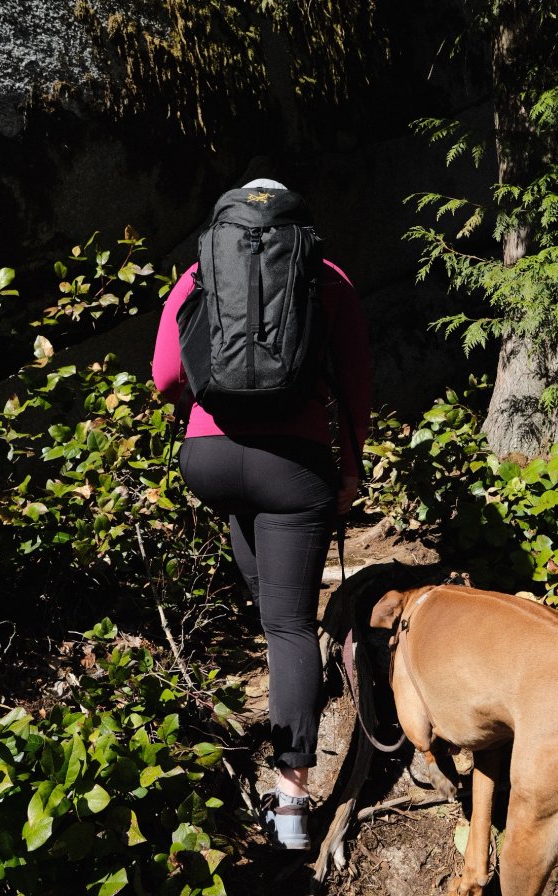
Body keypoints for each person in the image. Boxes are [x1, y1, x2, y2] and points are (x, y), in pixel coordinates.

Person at [152, 178, 371, 850]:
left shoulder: (198, 271)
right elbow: (355, 380)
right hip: (292, 465)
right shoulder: (326, 274)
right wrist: (353, 465)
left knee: (273, 606)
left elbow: (164, 374)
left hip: (209, 461)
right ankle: (292, 807)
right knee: (288, 627)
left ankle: (287, 689)